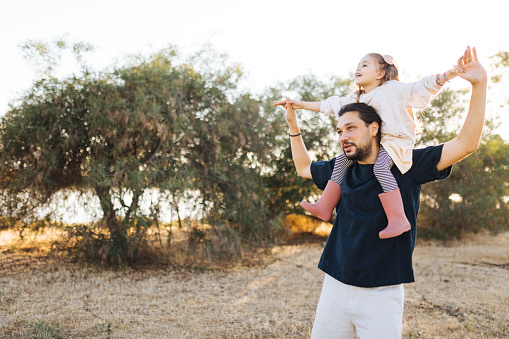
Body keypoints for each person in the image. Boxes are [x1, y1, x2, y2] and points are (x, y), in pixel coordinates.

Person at [282, 46, 486, 338]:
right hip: (334, 286)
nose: (343, 136)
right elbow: (303, 167)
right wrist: (293, 123)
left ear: (374, 128)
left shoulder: (405, 164)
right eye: (339, 131)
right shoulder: (343, 167)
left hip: (381, 294)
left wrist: (479, 85)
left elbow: (466, 143)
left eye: (350, 128)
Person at [274, 52, 459, 239]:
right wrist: (300, 105)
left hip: (395, 142)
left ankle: (398, 218)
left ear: (380, 73)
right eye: (358, 65)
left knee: (380, 168)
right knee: (340, 162)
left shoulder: (392, 89)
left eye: (364, 65)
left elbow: (419, 87)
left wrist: (447, 76)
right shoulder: (357, 98)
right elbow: (331, 105)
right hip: (377, 143)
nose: (358, 69)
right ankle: (324, 206)